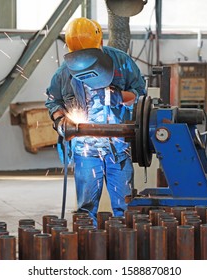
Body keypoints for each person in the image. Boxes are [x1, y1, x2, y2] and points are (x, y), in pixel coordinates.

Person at [45, 17, 146, 226]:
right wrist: (60, 120)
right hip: (85, 150)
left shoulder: (122, 62)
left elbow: (140, 94)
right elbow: (53, 101)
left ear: (99, 43)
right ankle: (87, 251)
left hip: (118, 149)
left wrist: (121, 96)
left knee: (125, 208)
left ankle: (123, 250)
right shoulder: (65, 72)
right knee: (85, 211)